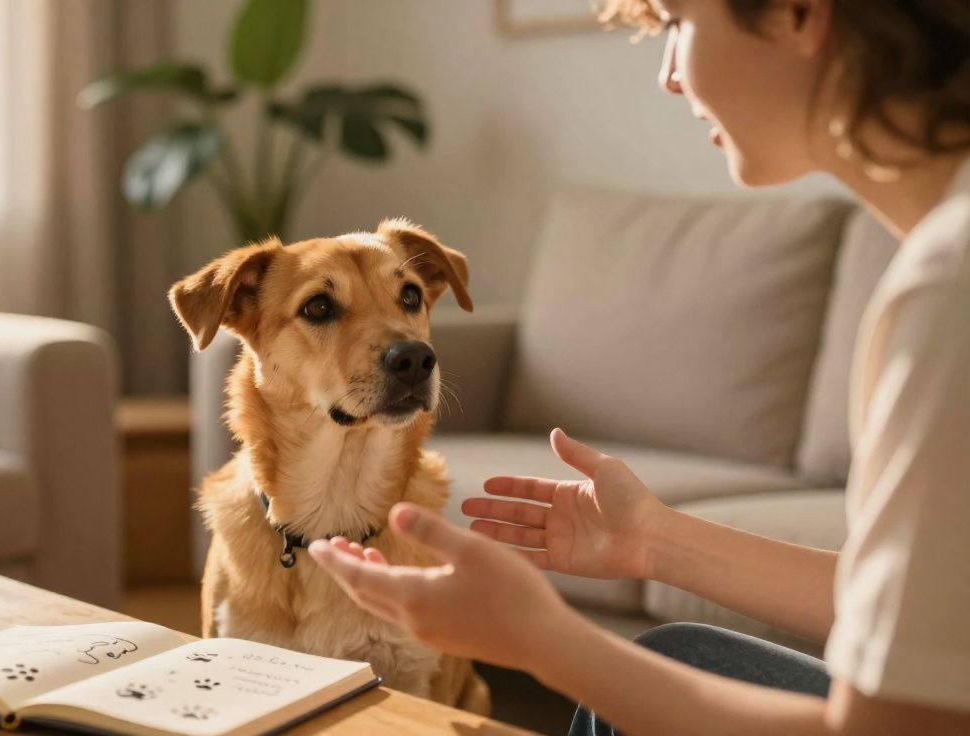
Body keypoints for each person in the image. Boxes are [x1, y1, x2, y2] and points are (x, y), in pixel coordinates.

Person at [307, 0, 970, 733]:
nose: (669, 76)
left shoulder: (950, 285)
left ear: (797, 12)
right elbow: (933, 613)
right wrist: (652, 539)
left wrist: (543, 639)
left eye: (676, 23)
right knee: (680, 654)